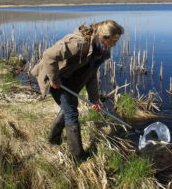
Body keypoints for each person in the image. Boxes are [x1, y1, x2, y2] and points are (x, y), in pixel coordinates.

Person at [31, 20, 124, 160]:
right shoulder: (79, 44)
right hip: (54, 77)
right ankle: (77, 156)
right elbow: (48, 56)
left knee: (69, 107)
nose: (116, 43)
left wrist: (94, 100)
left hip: (69, 79)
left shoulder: (100, 50)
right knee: (72, 113)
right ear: (105, 37)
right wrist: (54, 80)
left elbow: (91, 75)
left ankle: (53, 139)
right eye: (115, 39)